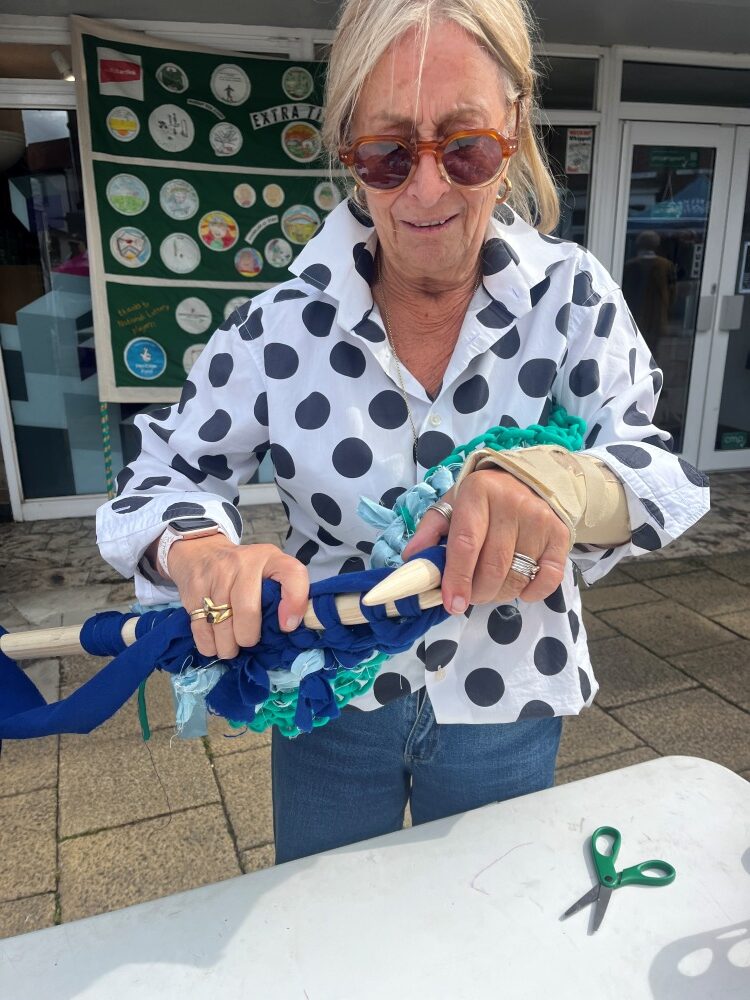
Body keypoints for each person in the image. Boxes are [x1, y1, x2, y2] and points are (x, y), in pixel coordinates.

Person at [97, 0, 710, 864]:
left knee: (492, 914)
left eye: (466, 147)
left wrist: (556, 485)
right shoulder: (279, 324)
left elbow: (654, 473)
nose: (426, 189)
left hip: (507, 698)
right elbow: (167, 474)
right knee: (327, 924)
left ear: (515, 127)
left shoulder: (571, 298)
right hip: (328, 695)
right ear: (346, 143)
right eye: (387, 153)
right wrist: (198, 552)